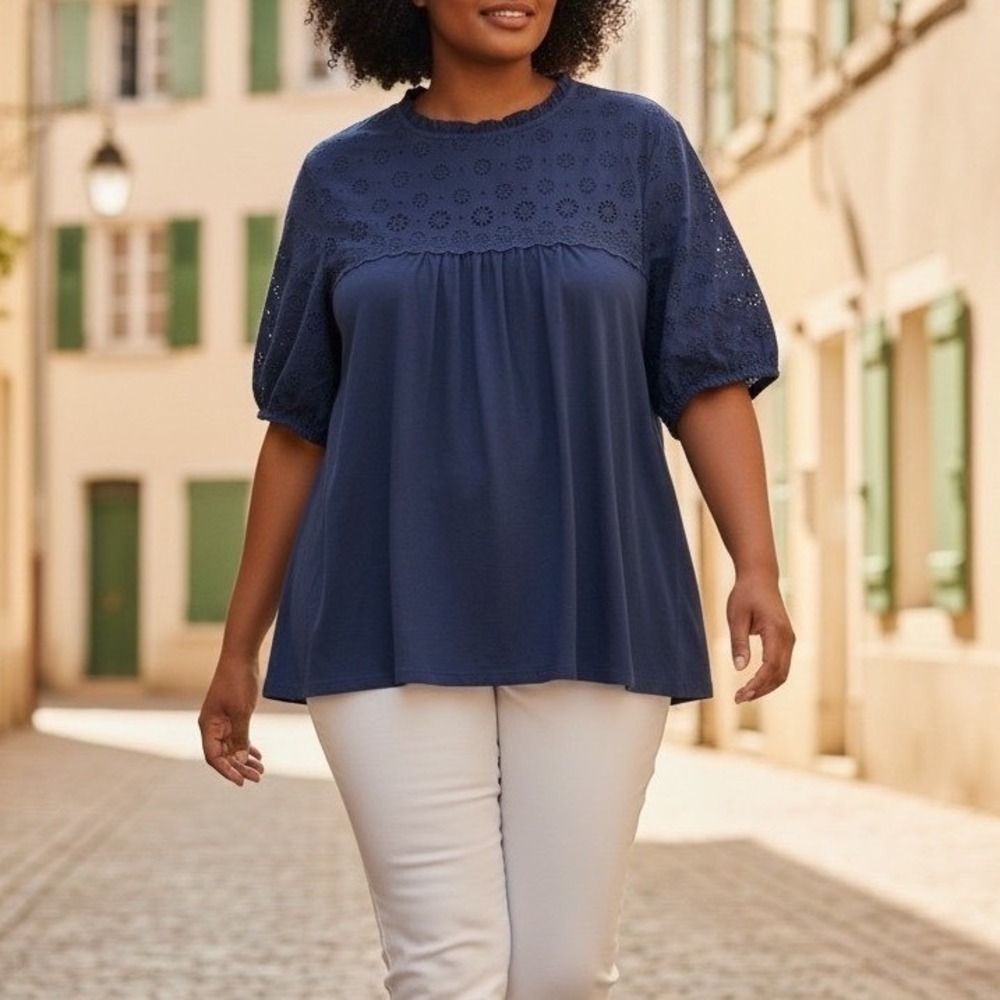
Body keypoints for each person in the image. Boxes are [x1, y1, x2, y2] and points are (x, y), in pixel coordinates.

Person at [198, 1, 795, 996]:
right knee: (444, 969)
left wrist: (758, 564)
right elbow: (298, 426)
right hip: (381, 612)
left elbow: (705, 375)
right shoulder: (339, 177)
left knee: (562, 969)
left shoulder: (636, 146)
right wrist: (237, 648)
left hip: (594, 600)